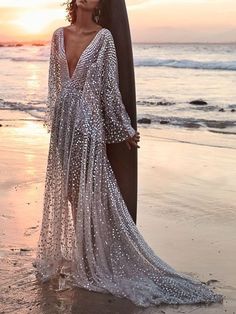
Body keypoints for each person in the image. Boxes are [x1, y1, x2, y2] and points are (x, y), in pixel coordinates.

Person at [33, 0, 224, 308]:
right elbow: (54, 87)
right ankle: (86, 256)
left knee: (90, 195)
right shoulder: (58, 35)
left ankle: (93, 261)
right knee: (71, 192)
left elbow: (109, 90)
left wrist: (123, 130)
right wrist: (54, 123)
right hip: (64, 126)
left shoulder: (105, 37)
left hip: (89, 128)